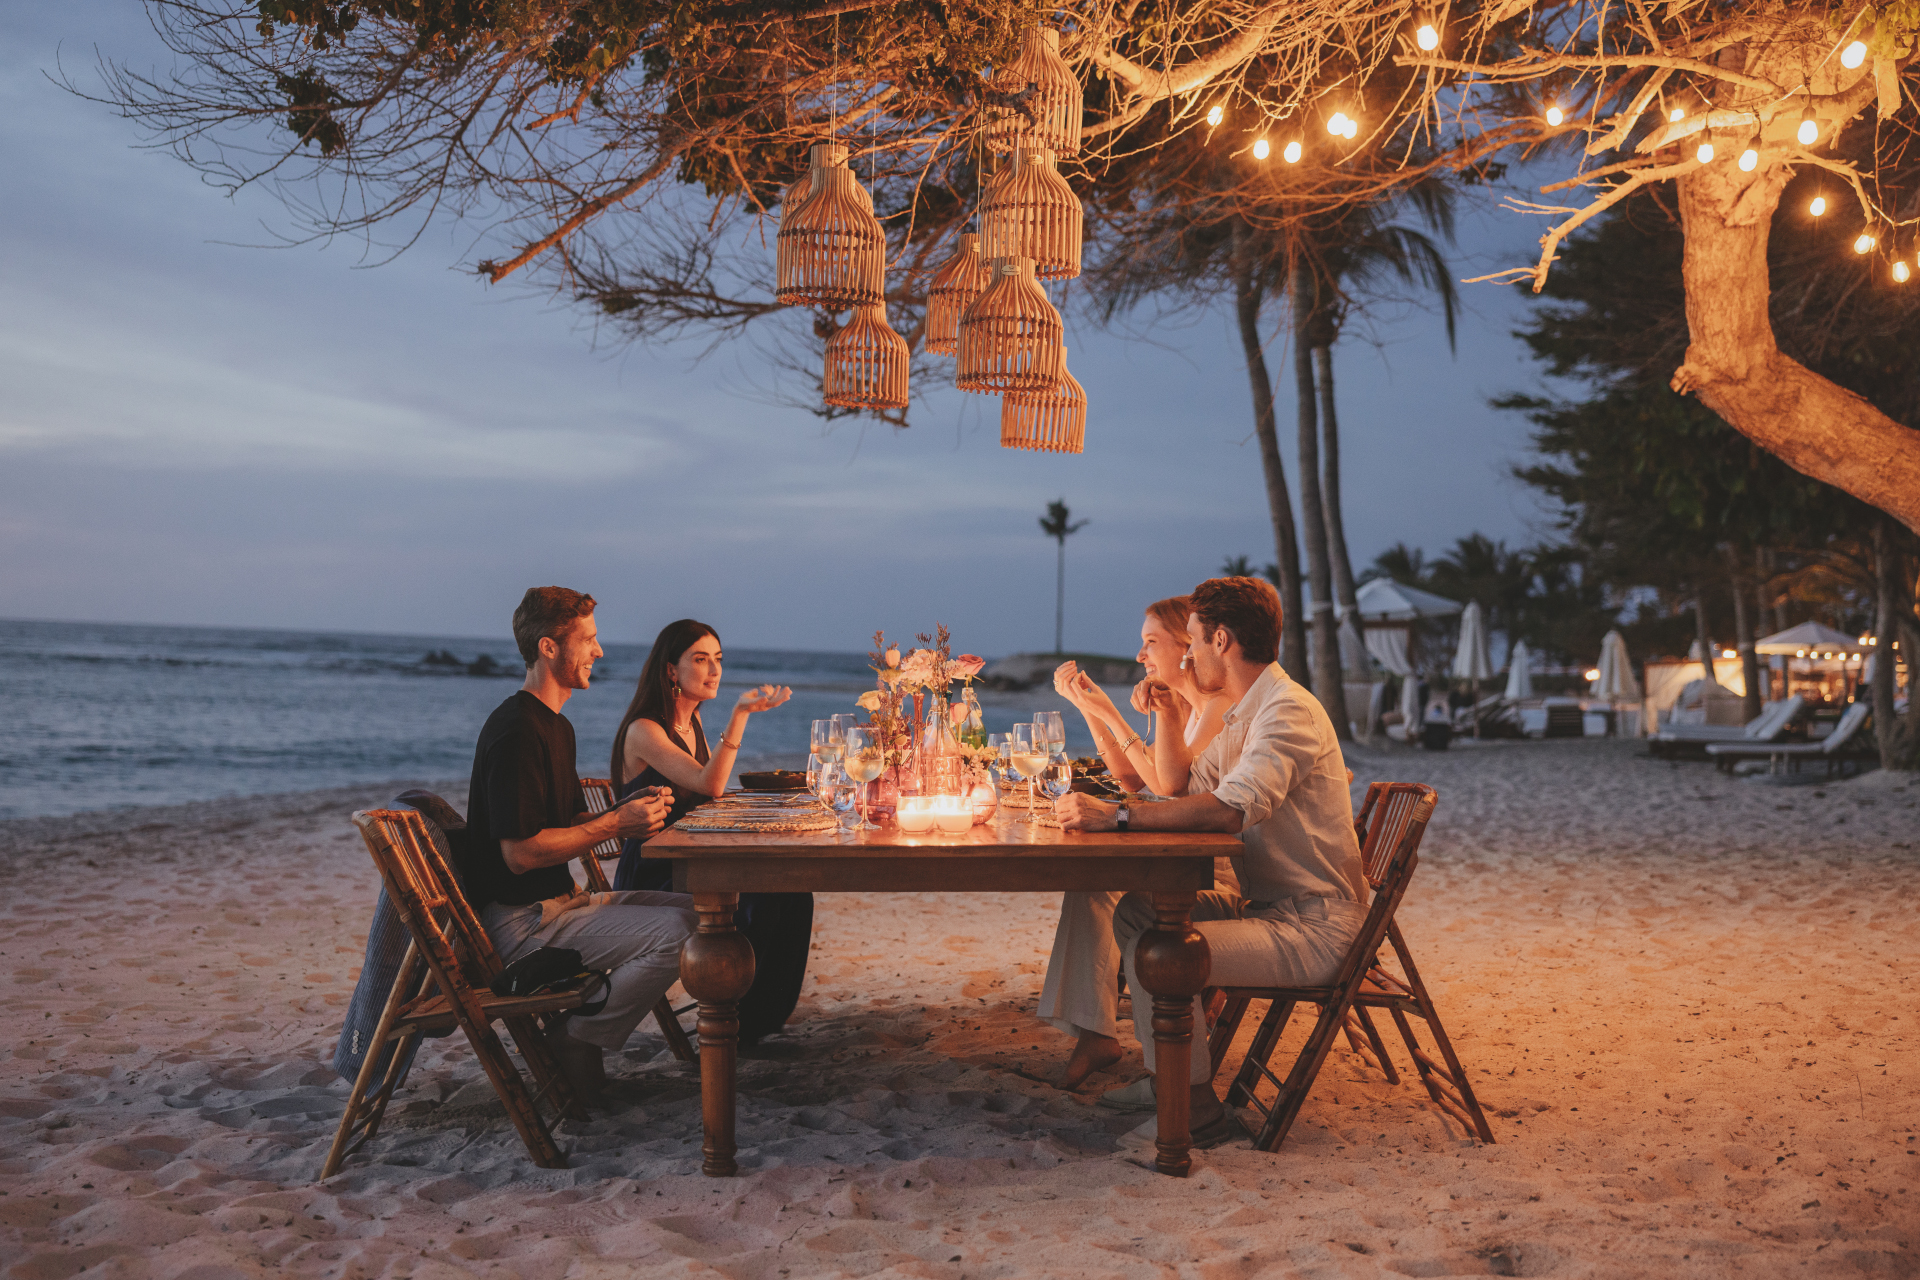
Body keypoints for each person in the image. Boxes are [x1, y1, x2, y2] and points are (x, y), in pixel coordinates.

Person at [1055, 575, 1367, 1149]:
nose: (1190, 655)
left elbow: (1229, 810)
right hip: (1267, 906)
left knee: (1162, 948)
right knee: (1137, 912)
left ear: (1221, 640)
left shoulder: (1287, 712)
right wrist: (1166, 716)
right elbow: (1179, 788)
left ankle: (1193, 1109)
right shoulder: (1246, 715)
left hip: (1315, 927)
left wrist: (1116, 818)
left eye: (1194, 642)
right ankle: (1169, 1081)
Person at [456, 587, 698, 1100]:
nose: (599, 650)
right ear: (549, 647)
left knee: (705, 915)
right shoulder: (518, 729)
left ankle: (583, 1030)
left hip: (561, 906)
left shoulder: (555, 725)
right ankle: (576, 1036)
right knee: (677, 931)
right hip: (523, 926)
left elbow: (560, 822)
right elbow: (519, 854)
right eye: (588, 638)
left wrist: (624, 813)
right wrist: (615, 826)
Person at [1037, 595, 1235, 1090]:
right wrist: (1090, 708)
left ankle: (1162, 1069)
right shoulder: (1186, 707)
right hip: (1187, 858)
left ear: (1188, 647)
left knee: (1112, 895)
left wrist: (1108, 711)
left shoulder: (1213, 711)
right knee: (1090, 885)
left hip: (1216, 871)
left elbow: (1163, 787)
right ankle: (1095, 1030)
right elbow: (1131, 777)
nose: (1142, 656)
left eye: (1151, 643)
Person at [609, 619, 812, 1048]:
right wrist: (740, 714)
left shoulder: (693, 725)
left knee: (794, 891)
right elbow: (709, 784)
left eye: (718, 659)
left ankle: (758, 1019)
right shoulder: (644, 730)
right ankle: (737, 1021)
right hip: (656, 873)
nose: (714, 670)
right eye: (700, 660)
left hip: (694, 864)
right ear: (671, 670)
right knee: (762, 898)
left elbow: (706, 801)